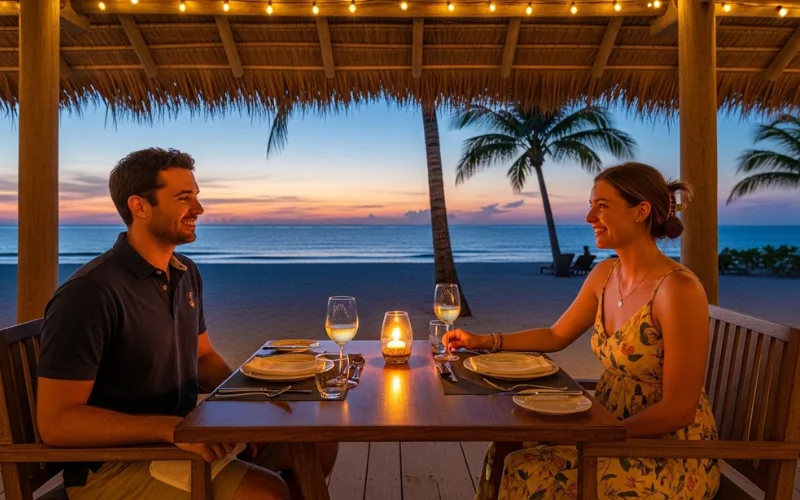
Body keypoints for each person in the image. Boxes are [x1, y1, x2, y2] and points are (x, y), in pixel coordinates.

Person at [36, 148, 337, 500]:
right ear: (139, 206)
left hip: (185, 436)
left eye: (196, 196)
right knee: (266, 492)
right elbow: (57, 423)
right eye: (183, 198)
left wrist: (247, 407)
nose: (198, 209)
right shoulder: (90, 293)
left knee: (318, 444)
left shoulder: (184, 273)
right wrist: (169, 429)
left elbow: (203, 358)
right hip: (115, 463)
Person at [444, 162, 720, 499]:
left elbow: (679, 409)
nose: (590, 218)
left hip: (669, 454)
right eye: (591, 206)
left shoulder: (677, 289)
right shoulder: (605, 274)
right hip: (608, 428)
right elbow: (557, 336)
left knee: (528, 472)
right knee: (505, 447)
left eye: (601, 207)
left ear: (641, 211)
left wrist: (597, 436)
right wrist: (485, 341)